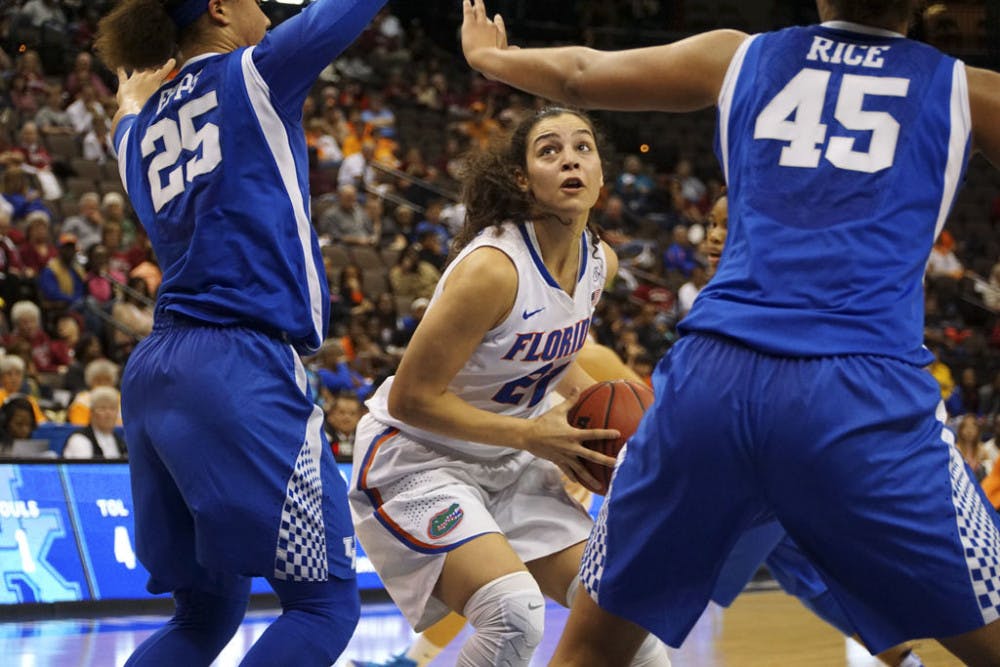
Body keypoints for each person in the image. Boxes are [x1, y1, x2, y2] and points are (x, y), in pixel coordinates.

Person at [461, 1, 1000, 664]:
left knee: (591, 650)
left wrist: (493, 58)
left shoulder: (739, 55)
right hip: (858, 389)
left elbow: (578, 73)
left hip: (712, 383)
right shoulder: (967, 89)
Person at [94, 0, 387, 664]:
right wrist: (128, 98)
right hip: (239, 363)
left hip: (159, 373)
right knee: (323, 603)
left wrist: (129, 96)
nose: (271, 13)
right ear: (221, 8)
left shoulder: (138, 136)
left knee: (205, 613)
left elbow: (125, 121)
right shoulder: (254, 72)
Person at [348, 107, 669, 667]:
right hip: (418, 459)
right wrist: (531, 435)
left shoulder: (600, 264)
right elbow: (411, 399)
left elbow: (554, 355)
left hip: (509, 460)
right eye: (548, 150)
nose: (569, 157)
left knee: (625, 615)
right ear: (522, 179)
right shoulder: (493, 269)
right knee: (512, 613)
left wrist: (598, 435)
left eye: (583, 147)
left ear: (599, 174)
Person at [62, 386, 127, 459]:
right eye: (102, 408)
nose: (108, 413)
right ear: (91, 413)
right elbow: (84, 469)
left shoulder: (120, 441)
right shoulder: (79, 439)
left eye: (112, 408)